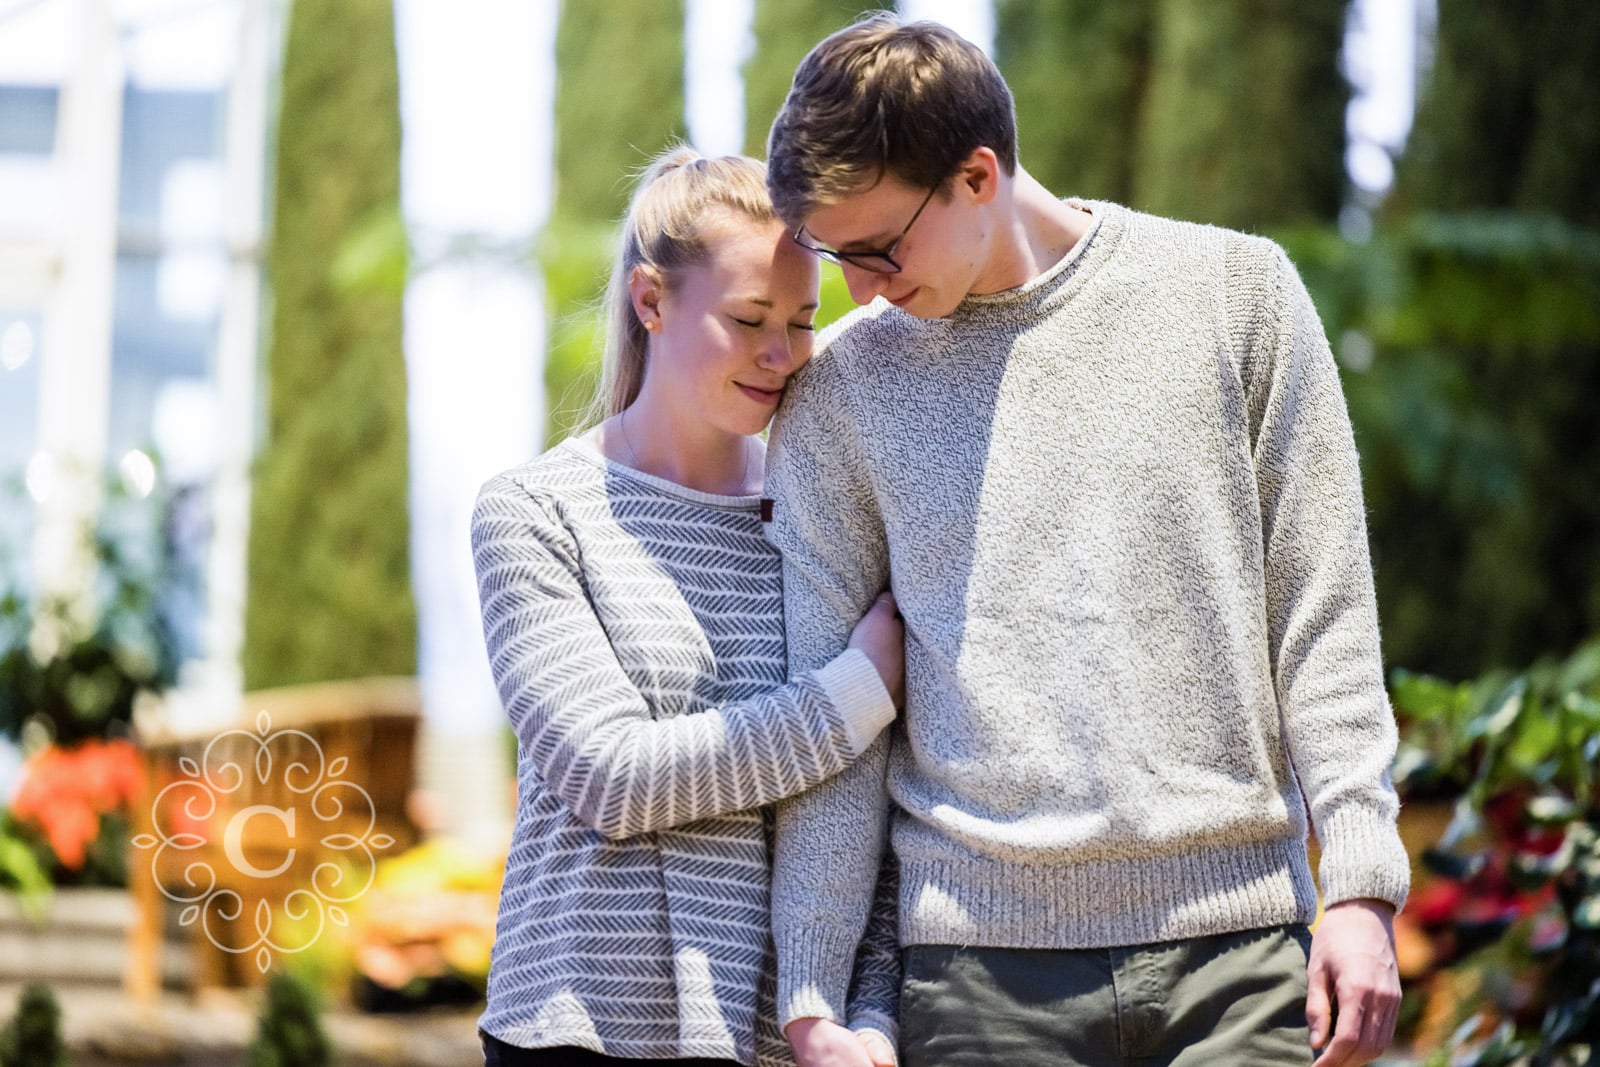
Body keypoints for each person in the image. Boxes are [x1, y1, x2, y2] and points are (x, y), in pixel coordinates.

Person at [759, 15, 1410, 1067]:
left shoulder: (1235, 297)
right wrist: (813, 990)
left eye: (877, 250)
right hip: (976, 983)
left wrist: (1362, 884)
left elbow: (1322, 611)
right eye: (837, 257)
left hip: (1238, 958)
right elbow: (838, 726)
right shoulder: (840, 390)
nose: (857, 291)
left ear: (977, 176)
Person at [471, 148, 904, 1067]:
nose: (782, 355)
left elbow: (862, 807)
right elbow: (613, 777)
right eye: (748, 319)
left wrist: (864, 1015)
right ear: (651, 301)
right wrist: (856, 693)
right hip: (574, 1026)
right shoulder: (537, 511)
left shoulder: (820, 514)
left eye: (800, 321)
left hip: (777, 1042)